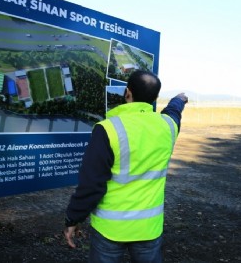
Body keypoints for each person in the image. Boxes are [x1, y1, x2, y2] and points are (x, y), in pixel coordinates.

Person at [63, 70, 188, 263]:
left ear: (127, 93)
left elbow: (91, 184)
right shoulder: (168, 127)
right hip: (149, 228)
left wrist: (73, 219)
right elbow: (174, 111)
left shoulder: (107, 128)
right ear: (154, 98)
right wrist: (179, 99)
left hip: (110, 229)